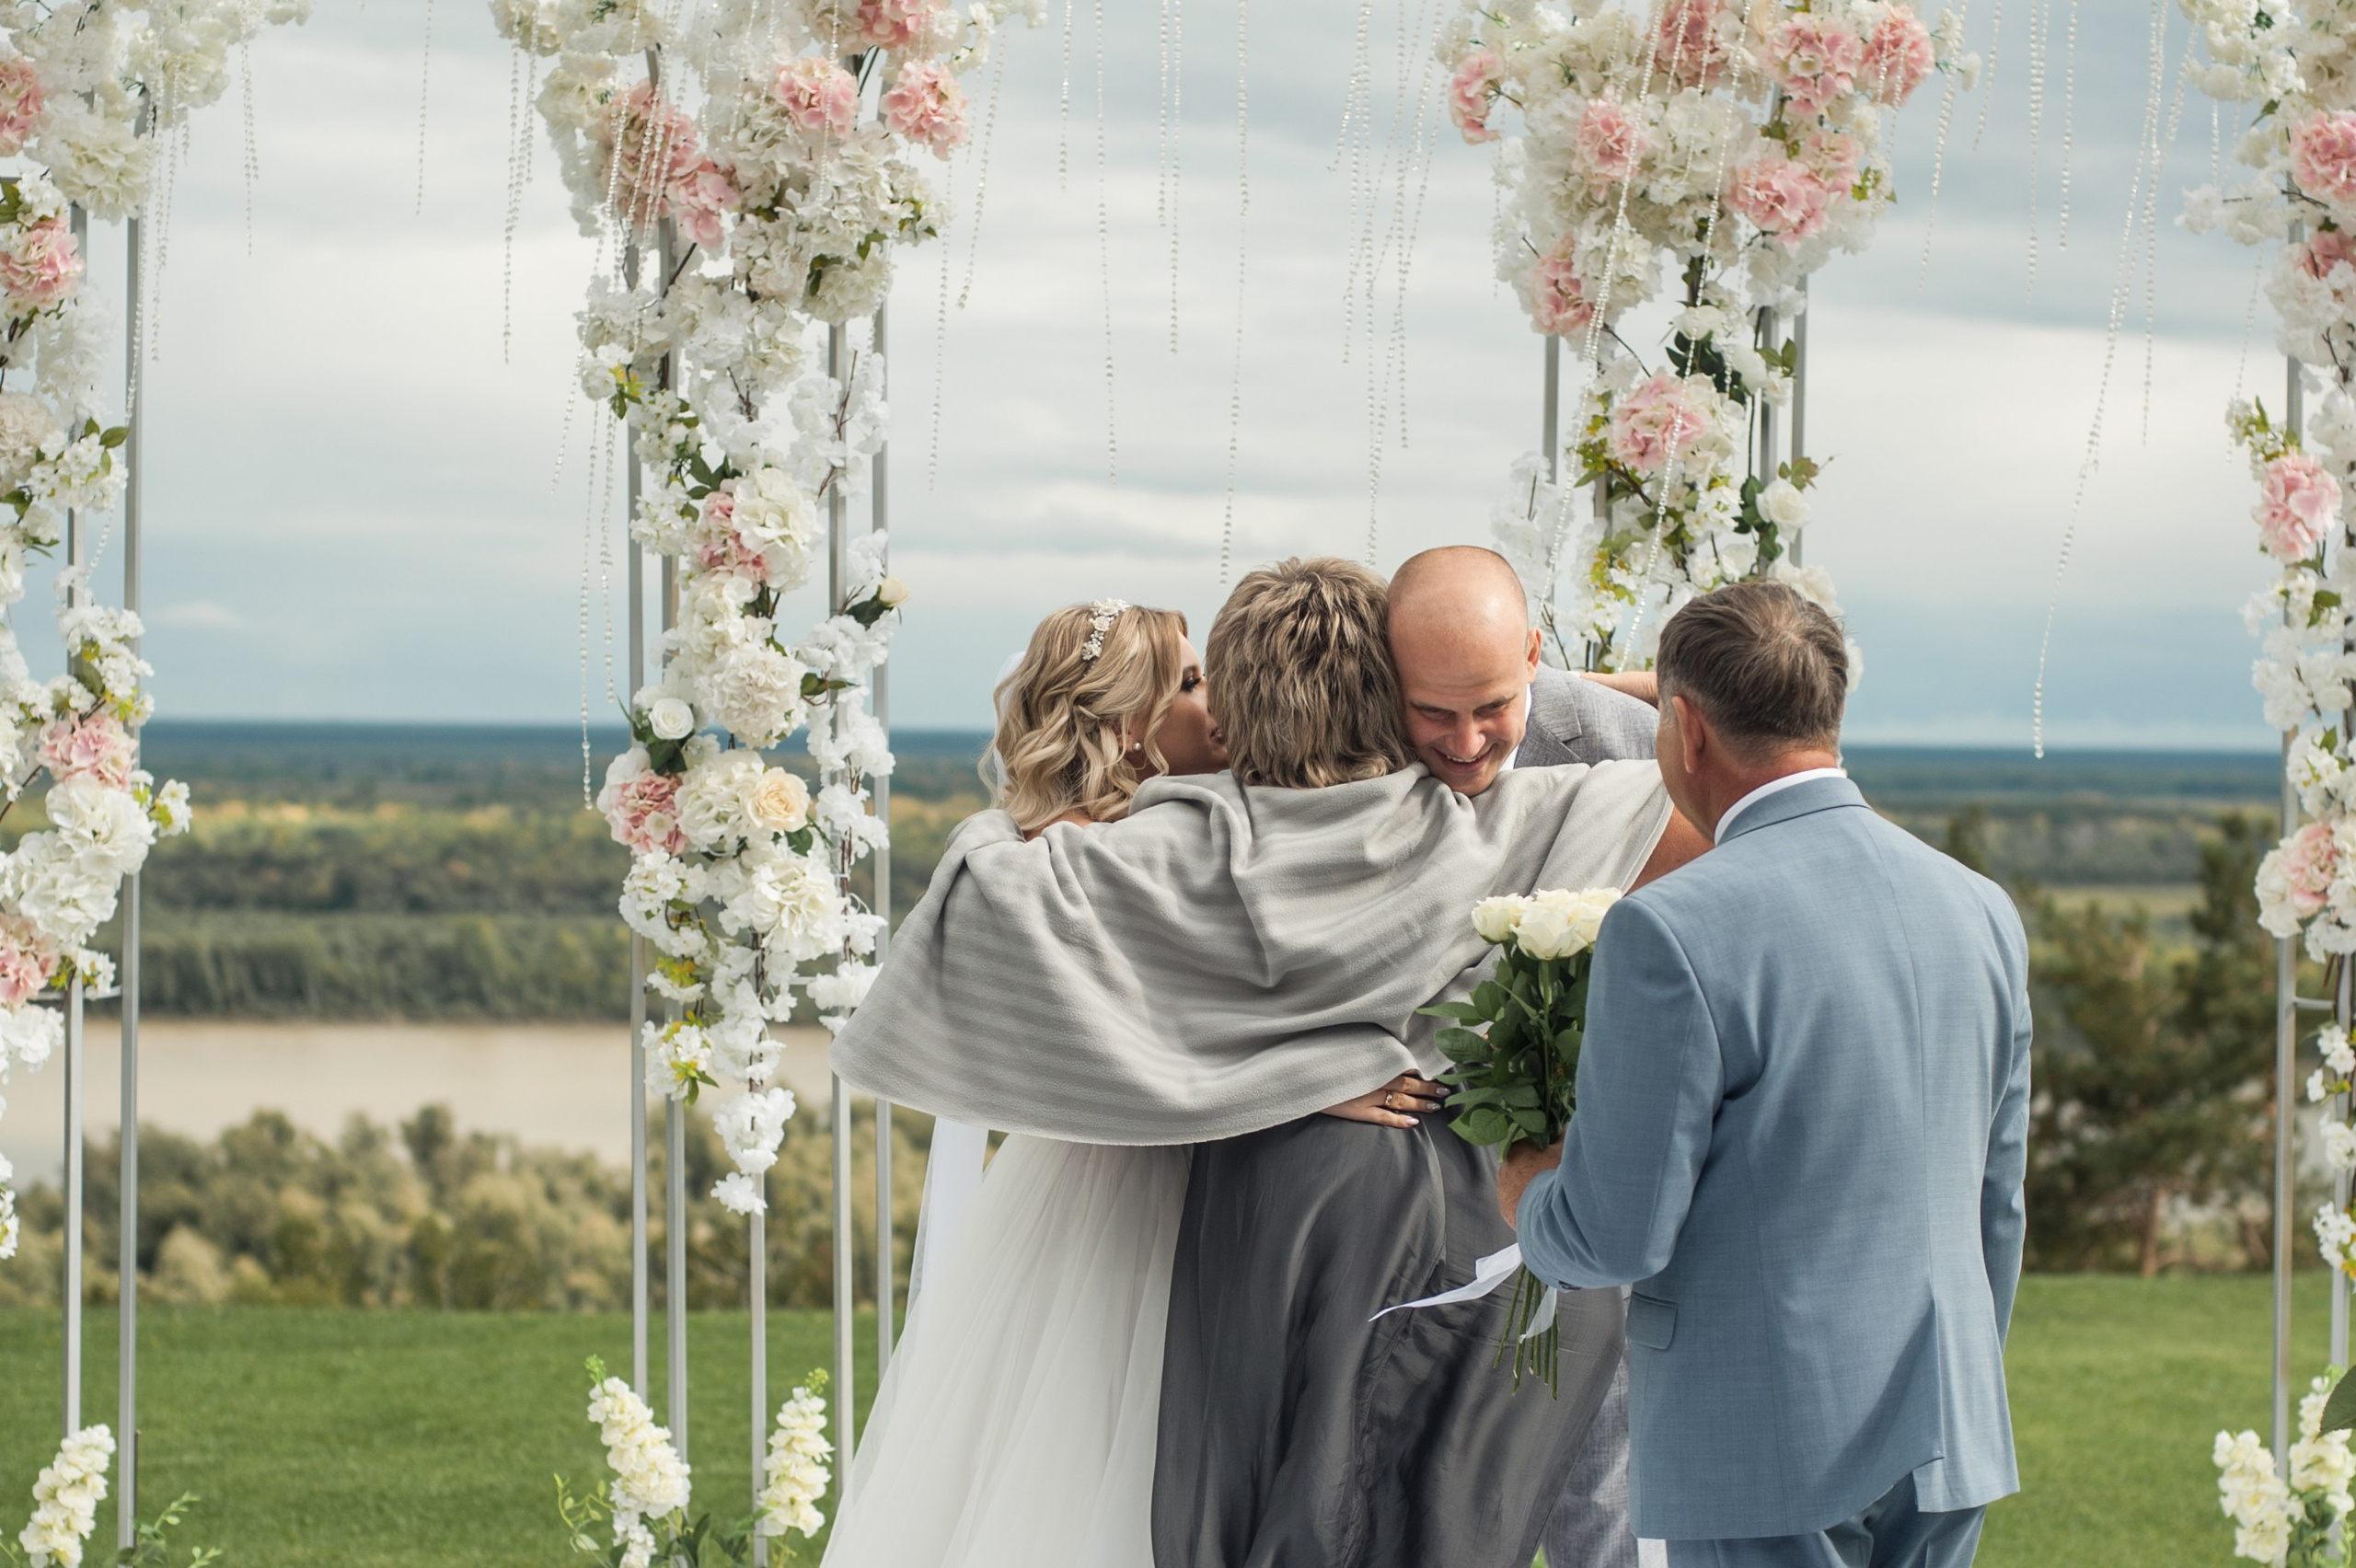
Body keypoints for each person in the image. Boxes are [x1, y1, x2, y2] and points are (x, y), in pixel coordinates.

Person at [818, 596, 1430, 1568]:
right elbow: (1144, 1041)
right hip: (1120, 1198)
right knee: (1104, 1450)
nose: (1218, 697)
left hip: (1204, 1183)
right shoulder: (1078, 859)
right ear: (1124, 725)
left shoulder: (1189, 828)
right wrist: (1315, 1082)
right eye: (1189, 683)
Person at [1153, 545, 1677, 1568]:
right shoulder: (1337, 753)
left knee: (1600, 1495)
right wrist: (1306, 1066)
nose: (1465, 740)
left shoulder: (1623, 744)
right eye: (1431, 712)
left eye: (1491, 703)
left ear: (1532, 658)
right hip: (1386, 1210)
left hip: (1578, 1186)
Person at [1502, 582, 2029, 1568]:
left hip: (1761, 1438)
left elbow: (1614, 1235)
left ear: (1685, 728)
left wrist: (1530, 1196)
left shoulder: (1669, 929)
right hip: (1949, 1426)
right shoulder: (1980, 909)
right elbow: (1996, 1209)